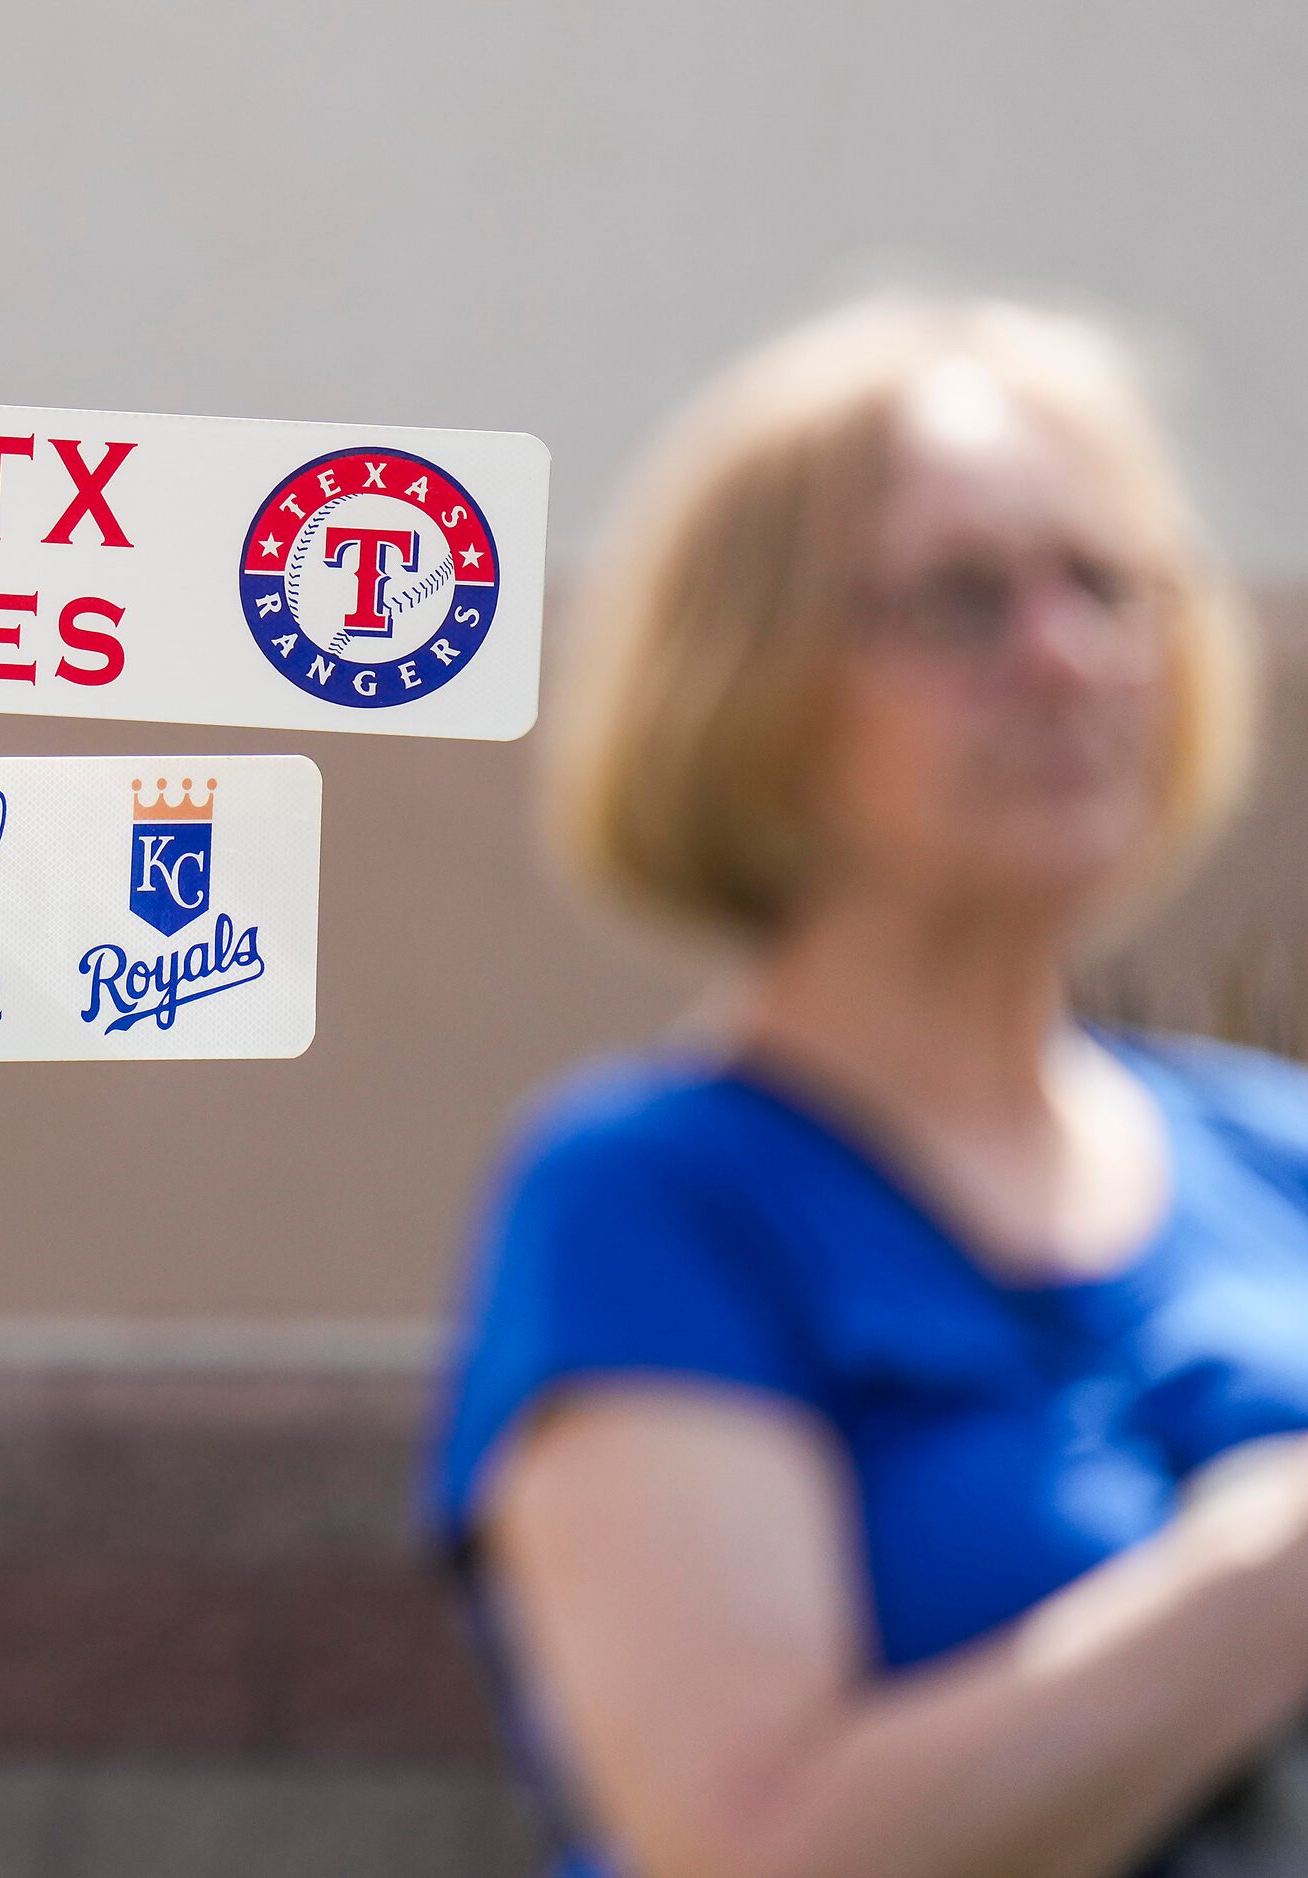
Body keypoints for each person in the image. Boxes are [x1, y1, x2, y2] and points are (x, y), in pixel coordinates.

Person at [425, 294, 1308, 1878]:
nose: (1066, 657)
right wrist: (1268, 1573)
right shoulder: (653, 1196)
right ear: (750, 683)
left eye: (1109, 585)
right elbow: (753, 1844)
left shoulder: (1274, 1152)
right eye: (963, 601)